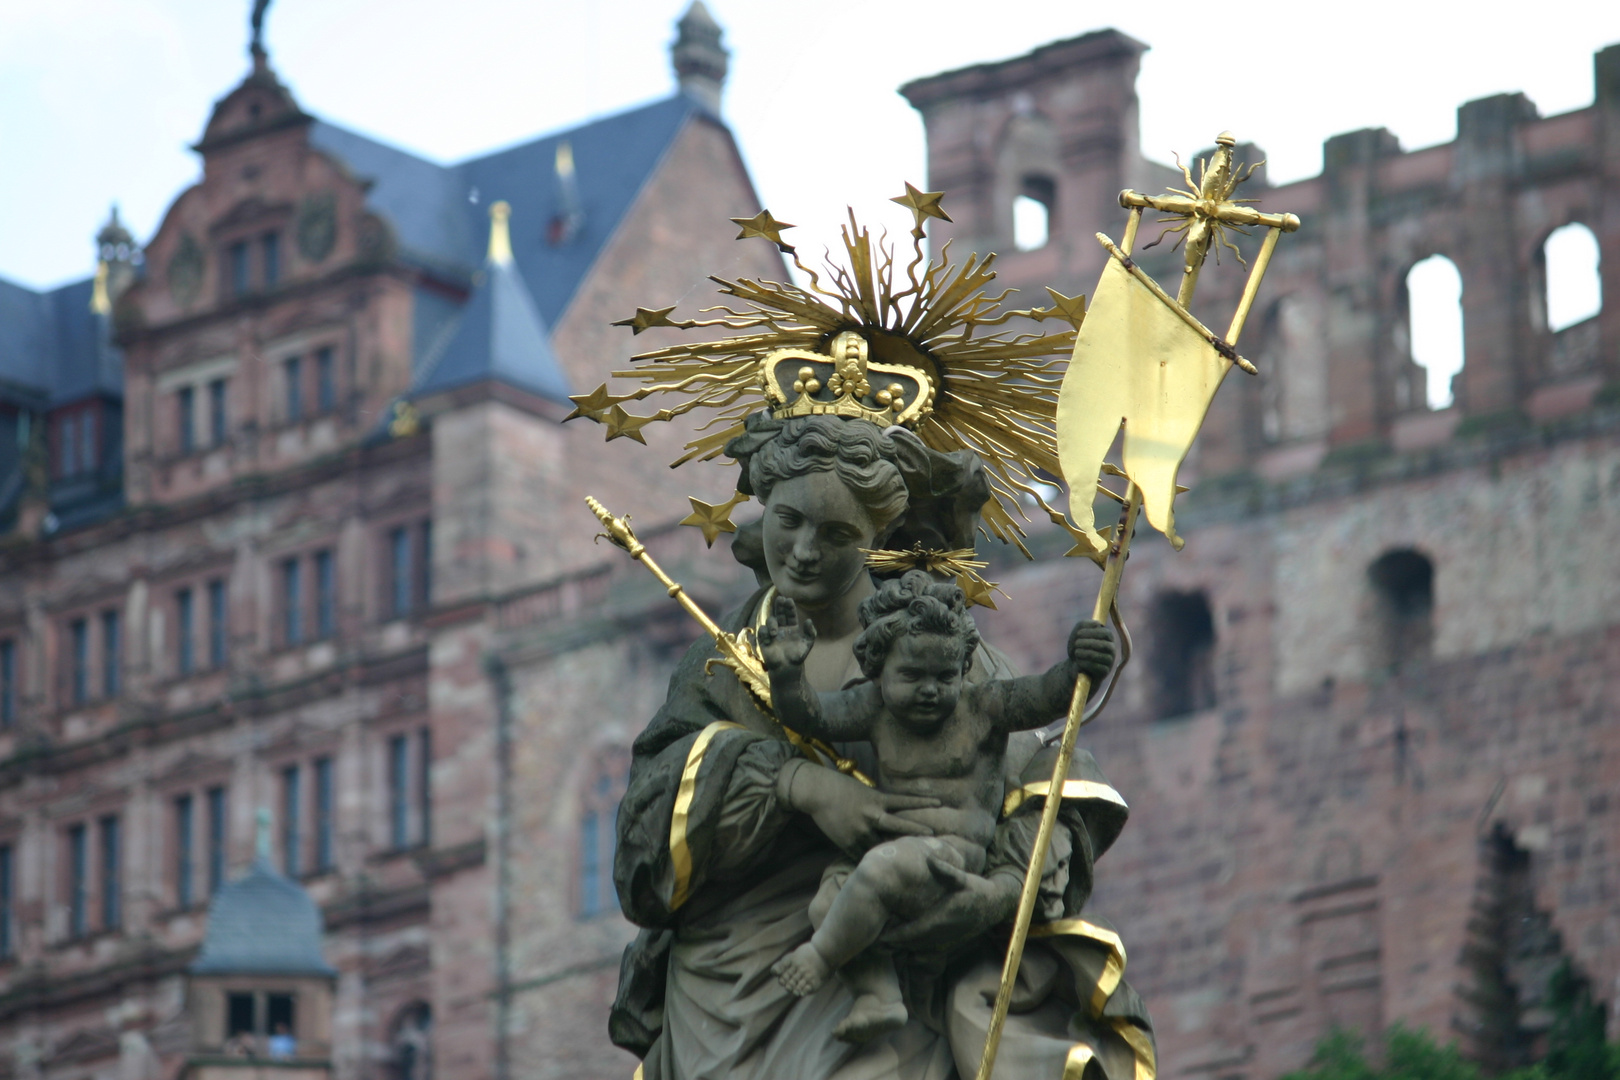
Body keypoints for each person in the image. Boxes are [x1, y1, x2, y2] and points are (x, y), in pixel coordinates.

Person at [612, 413, 1152, 1080]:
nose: (805, 550)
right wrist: (798, 786)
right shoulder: (725, 657)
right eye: (789, 522)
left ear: (875, 538)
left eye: (836, 533)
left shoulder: (926, 651)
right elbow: (644, 831)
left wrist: (1009, 880)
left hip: (889, 970)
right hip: (721, 984)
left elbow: (1040, 767)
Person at [761, 573, 1114, 1042]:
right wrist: (787, 675)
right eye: (911, 676)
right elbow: (811, 716)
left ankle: (818, 958)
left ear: (964, 668)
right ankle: (879, 993)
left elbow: (1046, 696)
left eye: (945, 676)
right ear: (877, 669)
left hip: (954, 856)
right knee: (830, 900)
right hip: (894, 851)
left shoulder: (984, 707)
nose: (930, 689)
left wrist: (1079, 666)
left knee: (876, 873)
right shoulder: (873, 708)